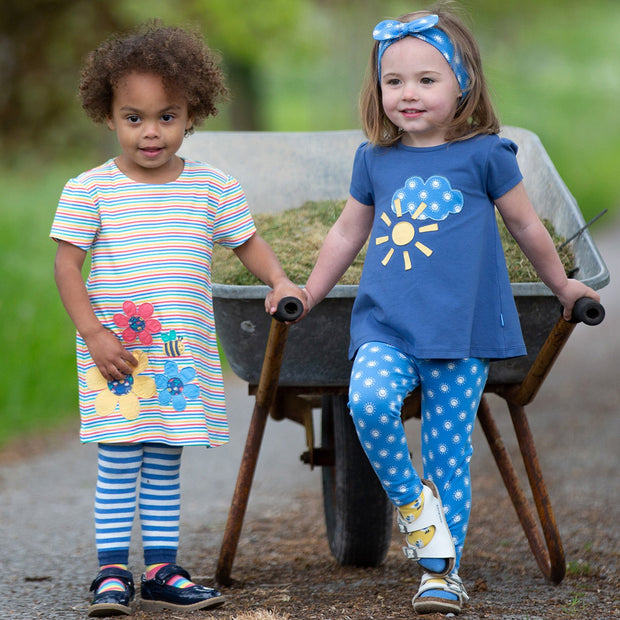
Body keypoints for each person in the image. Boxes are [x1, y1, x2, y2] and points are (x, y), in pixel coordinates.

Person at [282, 2, 601, 616]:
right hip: (387, 326)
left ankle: (440, 572)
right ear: (378, 90)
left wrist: (564, 285)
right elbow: (348, 233)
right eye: (394, 81)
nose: (408, 93)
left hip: (461, 332)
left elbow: (528, 227)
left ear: (464, 86)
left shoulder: (486, 154)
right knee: (368, 401)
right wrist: (311, 291)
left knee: (447, 452)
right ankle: (411, 506)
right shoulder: (374, 160)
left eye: (427, 80)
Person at [51, 22, 302, 617]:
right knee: (118, 460)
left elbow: (248, 243)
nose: (151, 132)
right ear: (107, 116)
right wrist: (93, 333)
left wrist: (281, 280)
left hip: (178, 359)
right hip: (115, 353)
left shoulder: (211, 187)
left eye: (168, 116)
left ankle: (161, 568)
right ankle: (111, 574)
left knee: (165, 458)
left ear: (193, 114)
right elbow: (67, 267)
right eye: (133, 117)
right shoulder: (90, 190)